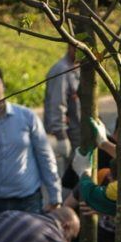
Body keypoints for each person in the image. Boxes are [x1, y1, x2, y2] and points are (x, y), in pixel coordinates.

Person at [0, 65, 61, 239]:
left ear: (3, 85)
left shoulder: (26, 116)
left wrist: (55, 196)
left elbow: (45, 156)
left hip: (28, 201)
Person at [43, 45, 81, 177]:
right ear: (71, 47)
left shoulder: (79, 67)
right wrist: (61, 135)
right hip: (72, 132)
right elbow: (56, 104)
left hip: (83, 129)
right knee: (74, 175)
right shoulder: (61, 71)